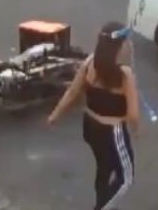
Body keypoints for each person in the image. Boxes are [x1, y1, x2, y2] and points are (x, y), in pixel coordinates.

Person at [48, 22, 140, 210]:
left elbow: (72, 92)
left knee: (104, 167)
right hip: (113, 132)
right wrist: (136, 130)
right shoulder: (125, 75)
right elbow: (133, 114)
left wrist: (55, 115)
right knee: (126, 177)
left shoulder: (89, 63)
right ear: (119, 46)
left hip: (90, 128)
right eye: (126, 41)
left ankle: (102, 202)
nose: (129, 44)